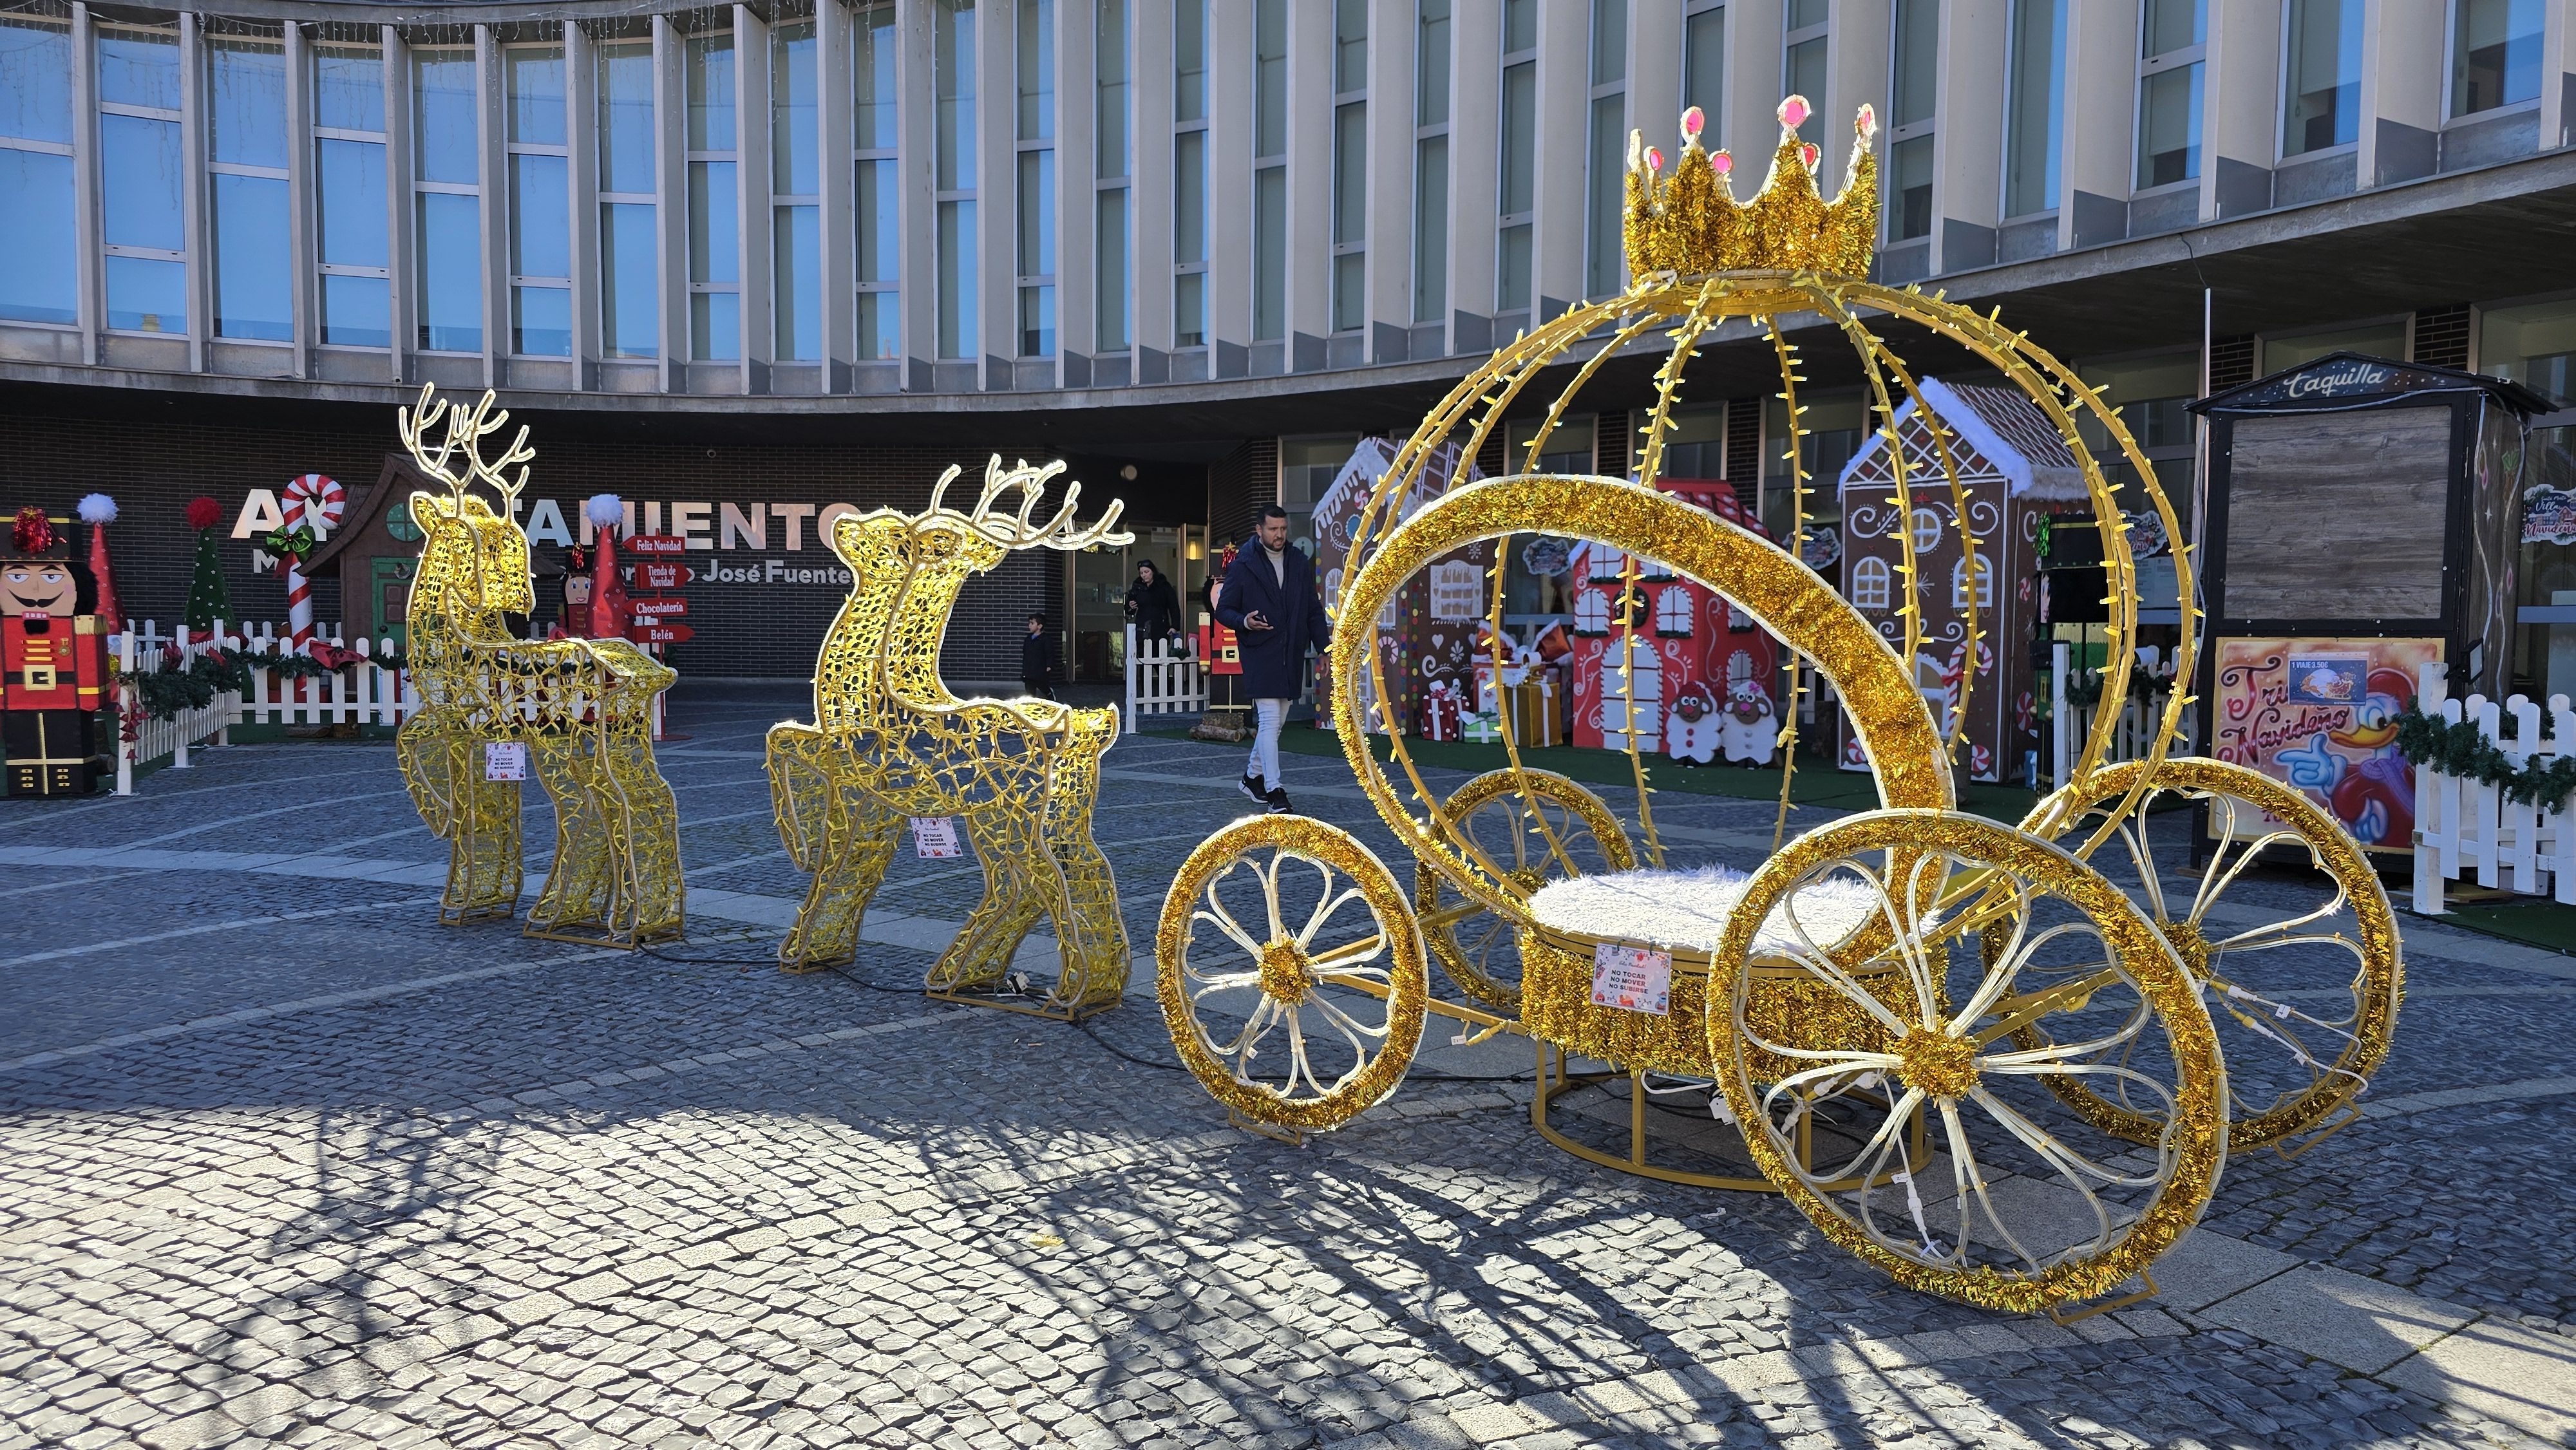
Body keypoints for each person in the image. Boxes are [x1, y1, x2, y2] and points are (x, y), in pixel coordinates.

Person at [1214, 505, 1328, 814]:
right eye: (1273, 529)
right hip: (1260, 651)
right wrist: (1246, 622)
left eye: (1283, 529)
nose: (1280, 535)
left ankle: (1252, 777)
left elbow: (1313, 609)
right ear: (1259, 530)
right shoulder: (1244, 564)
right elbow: (1223, 610)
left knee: (1276, 725)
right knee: (1268, 719)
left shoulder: (1298, 561)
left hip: (1290, 651)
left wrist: (1325, 649)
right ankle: (1274, 790)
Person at [1122, 561, 1182, 645]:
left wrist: (1175, 626)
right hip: (1142, 627)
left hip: (1160, 627)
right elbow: (1129, 609)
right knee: (1141, 654)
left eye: (1146, 572)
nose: (1144, 575)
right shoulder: (1137, 587)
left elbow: (1174, 607)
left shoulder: (1163, 586)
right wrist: (1130, 606)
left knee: (1159, 653)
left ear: (1153, 572)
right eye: (1141, 573)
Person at [1021, 613, 1057, 700]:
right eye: (1029, 623)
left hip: (1040, 669)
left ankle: (1050, 695)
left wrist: (1049, 665)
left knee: (1042, 685)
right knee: (1030, 690)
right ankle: (1031, 705)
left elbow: (1049, 653)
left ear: (1040, 626)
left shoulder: (1045, 639)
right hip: (1029, 670)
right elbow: (1025, 652)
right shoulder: (1028, 638)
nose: (1030, 625)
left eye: (1032, 623)